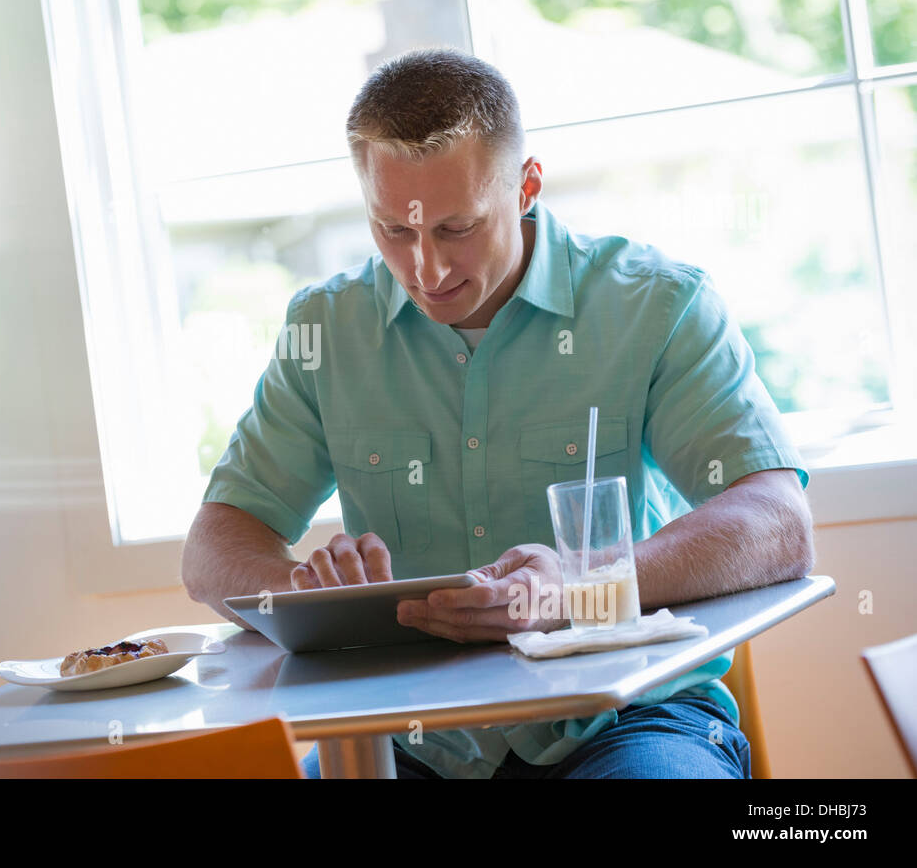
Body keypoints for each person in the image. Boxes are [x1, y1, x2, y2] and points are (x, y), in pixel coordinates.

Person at [180, 46, 814, 778]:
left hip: (629, 717)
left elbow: (779, 521)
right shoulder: (327, 330)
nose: (427, 268)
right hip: (410, 739)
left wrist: (582, 582)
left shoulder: (658, 307)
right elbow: (212, 549)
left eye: (456, 228)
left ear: (527, 186)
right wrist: (308, 600)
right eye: (393, 230)